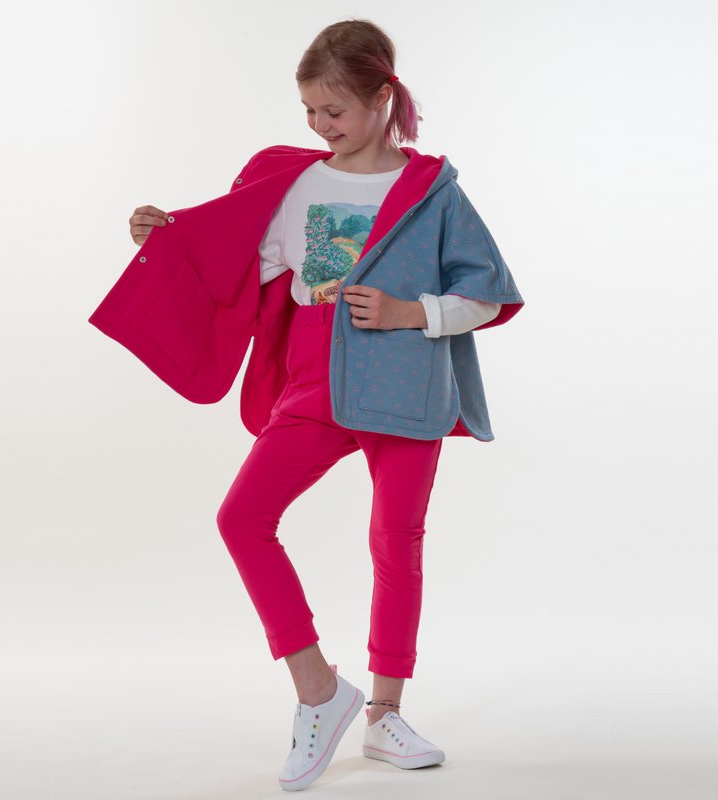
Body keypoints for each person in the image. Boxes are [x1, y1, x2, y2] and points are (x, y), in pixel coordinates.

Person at [90, 18, 524, 793]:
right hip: (315, 377)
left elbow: (486, 293)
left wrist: (411, 312)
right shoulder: (292, 183)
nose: (322, 126)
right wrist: (164, 240)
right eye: (310, 112)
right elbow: (239, 267)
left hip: (403, 378)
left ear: (382, 98)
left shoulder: (431, 193)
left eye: (336, 110)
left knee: (395, 541)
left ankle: (385, 716)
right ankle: (319, 690)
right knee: (242, 518)